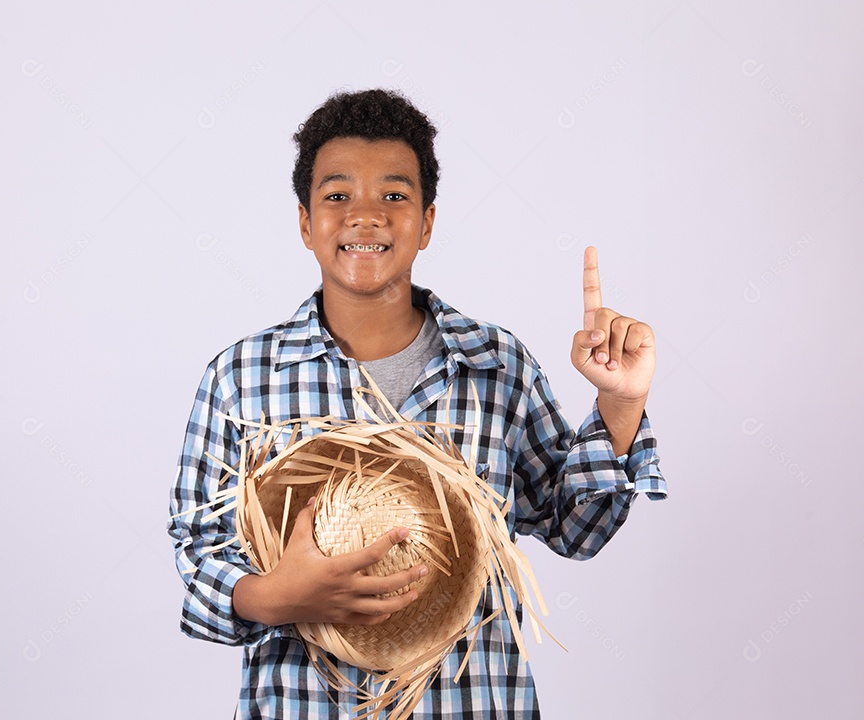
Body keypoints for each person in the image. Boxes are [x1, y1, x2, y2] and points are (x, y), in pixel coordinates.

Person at [168, 88, 667, 718]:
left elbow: (576, 527)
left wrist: (620, 405)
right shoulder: (241, 378)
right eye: (337, 196)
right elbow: (198, 563)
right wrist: (276, 596)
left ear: (427, 221)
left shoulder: (497, 365)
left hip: (474, 703)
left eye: (395, 196)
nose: (366, 216)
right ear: (305, 222)